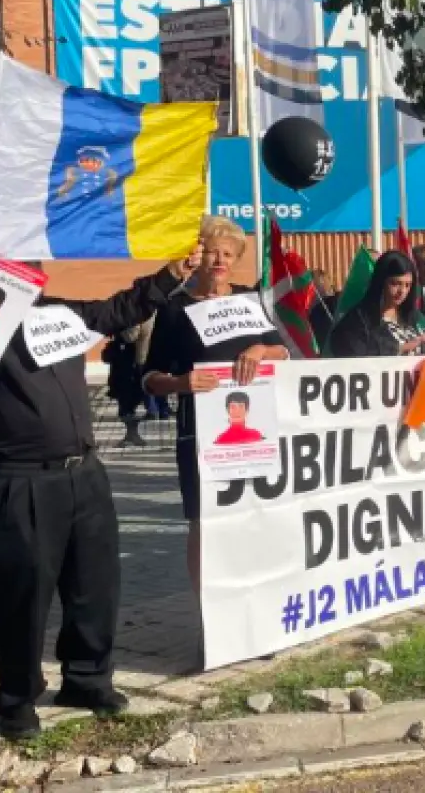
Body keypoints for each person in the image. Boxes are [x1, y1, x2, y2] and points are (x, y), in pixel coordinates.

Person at [0, 248, 195, 740]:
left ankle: (86, 678)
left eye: (35, 267)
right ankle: (17, 699)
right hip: (18, 479)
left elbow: (118, 310)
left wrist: (169, 276)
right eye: (18, 266)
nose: (31, 275)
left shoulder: (58, 314)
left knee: (95, 587)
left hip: (84, 474)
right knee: (22, 597)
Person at [142, 217, 290, 599]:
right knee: (204, 524)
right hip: (200, 435)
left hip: (255, 433)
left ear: (237, 259)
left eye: (227, 253)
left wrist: (261, 348)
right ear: (198, 256)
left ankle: (256, 605)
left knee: (252, 520)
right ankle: (211, 616)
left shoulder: (250, 300)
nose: (218, 260)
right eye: (210, 252)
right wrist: (178, 383)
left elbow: (283, 351)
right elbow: (148, 376)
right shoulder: (175, 308)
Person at [328, 251, 425, 358]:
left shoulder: (414, 318)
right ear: (380, 282)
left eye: (407, 285)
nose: (402, 291)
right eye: (395, 283)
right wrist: (401, 348)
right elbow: (351, 356)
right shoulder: (359, 321)